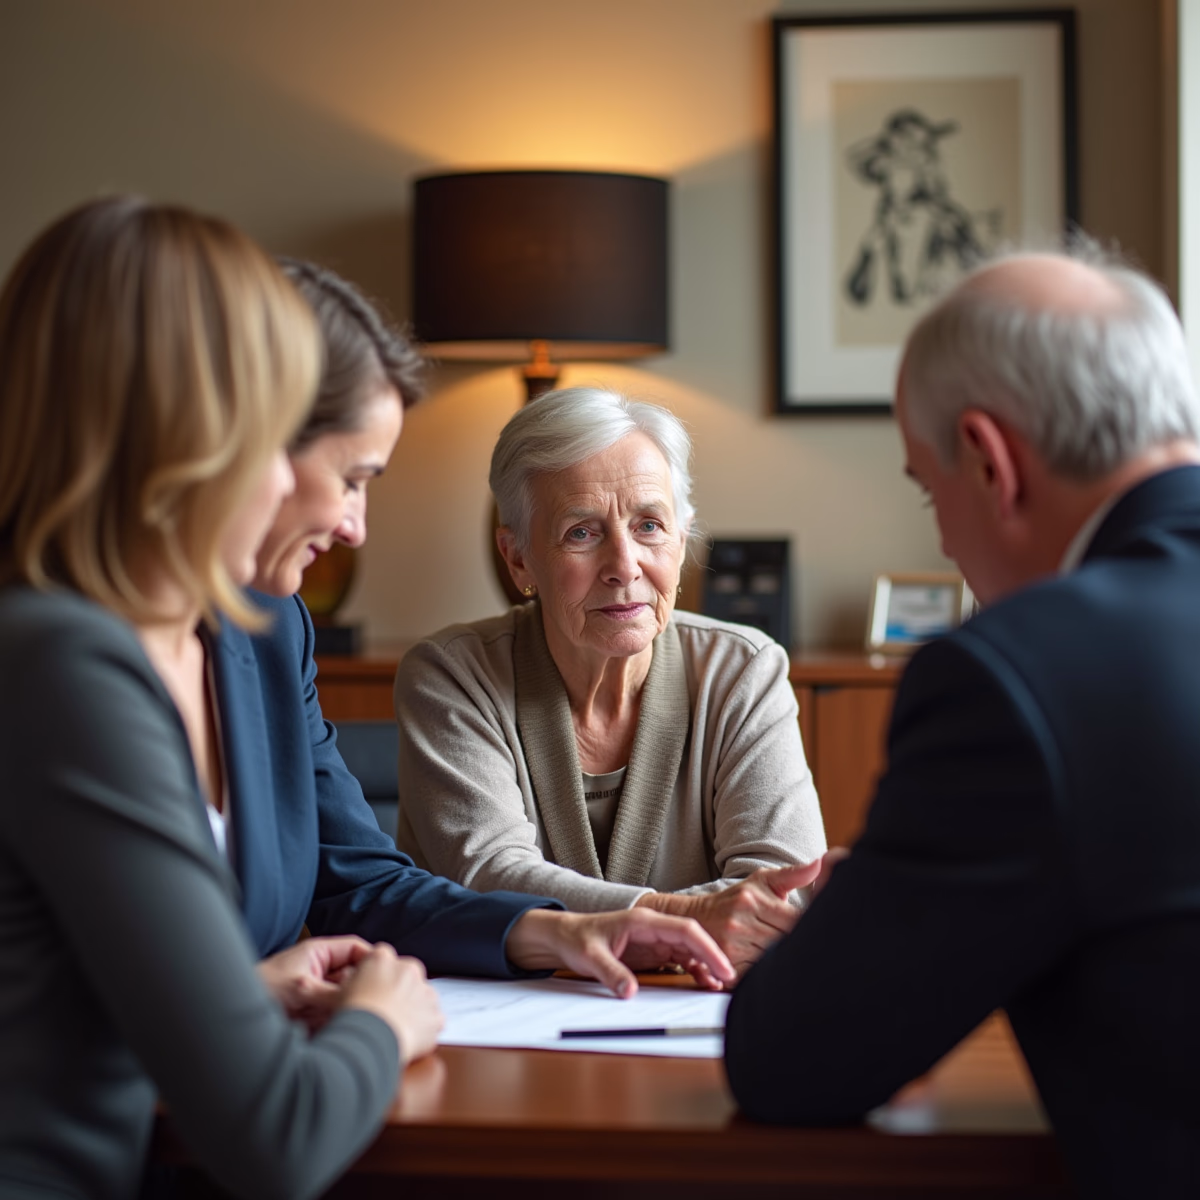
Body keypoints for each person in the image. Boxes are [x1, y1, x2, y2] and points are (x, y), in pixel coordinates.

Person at [724, 246, 1200, 1198]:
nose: (940, 529)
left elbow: (792, 1061)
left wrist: (868, 917)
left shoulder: (1022, 679)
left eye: (925, 487)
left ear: (989, 461)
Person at [0, 197, 442, 1200]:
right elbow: (275, 1140)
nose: (287, 477)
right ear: (192, 439)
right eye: (269, 434)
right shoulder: (65, 664)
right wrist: (383, 1022)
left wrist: (232, 1000)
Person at [220, 261, 736, 997]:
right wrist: (359, 1025)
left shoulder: (273, 627)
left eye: (651, 526)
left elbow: (358, 885)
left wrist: (569, 930)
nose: (355, 526)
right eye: (351, 478)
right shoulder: (72, 653)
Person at [394, 386, 828, 974]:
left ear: (682, 538)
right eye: (582, 532)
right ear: (518, 557)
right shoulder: (450, 676)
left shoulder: (743, 672)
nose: (624, 566)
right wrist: (691, 917)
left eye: (650, 525)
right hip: (502, 1033)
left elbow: (780, 894)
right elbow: (491, 880)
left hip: (688, 1023)